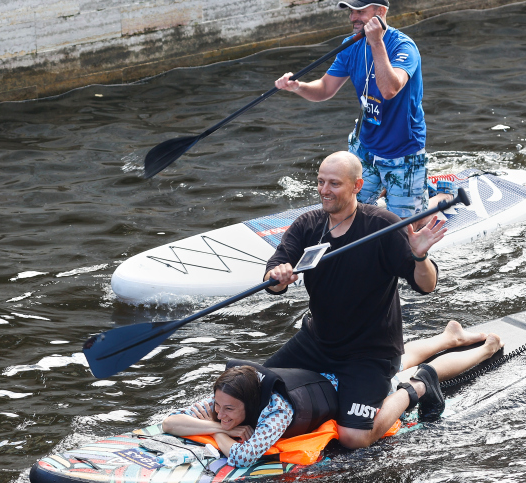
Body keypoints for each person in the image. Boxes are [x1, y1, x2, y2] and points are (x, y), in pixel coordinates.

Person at [262, 151, 454, 450]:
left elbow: (426, 285)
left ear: (357, 185)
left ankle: (415, 387)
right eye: (321, 182)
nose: (324, 190)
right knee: (257, 387)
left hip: (371, 352)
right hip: (318, 342)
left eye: (334, 184)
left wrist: (420, 255)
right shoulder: (308, 225)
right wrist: (278, 275)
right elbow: (271, 282)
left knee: (354, 437)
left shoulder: (383, 226)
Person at [161, 322, 503, 468]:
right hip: (325, 375)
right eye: (218, 407)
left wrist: (215, 431)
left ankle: (482, 351)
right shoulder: (231, 394)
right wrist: (225, 427)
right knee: (399, 360)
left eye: (229, 411)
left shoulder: (274, 410)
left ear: (250, 404)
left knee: (405, 372)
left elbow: (241, 457)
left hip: (350, 391)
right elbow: (170, 423)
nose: (220, 413)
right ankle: (449, 337)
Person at [275, 0, 430, 218]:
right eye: (351, 12)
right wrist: (297, 87)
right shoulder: (352, 45)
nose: (353, 17)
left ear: (381, 12)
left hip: (402, 150)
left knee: (404, 230)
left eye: (360, 11)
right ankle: (387, 190)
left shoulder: (404, 47)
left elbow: (389, 90)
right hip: (364, 146)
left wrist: (376, 43)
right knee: (343, 211)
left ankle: (434, 197)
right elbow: (325, 88)